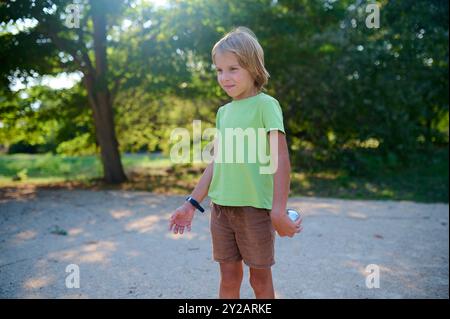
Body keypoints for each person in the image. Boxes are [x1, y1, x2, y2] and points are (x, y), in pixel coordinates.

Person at [169, 26, 302, 299]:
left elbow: (281, 158)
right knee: (229, 277)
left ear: (253, 68)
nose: (224, 77)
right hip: (221, 211)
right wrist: (191, 203)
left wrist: (278, 210)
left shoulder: (266, 105)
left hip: (255, 210)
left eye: (233, 69)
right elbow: (216, 163)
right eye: (219, 70)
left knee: (260, 280)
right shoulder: (223, 113)